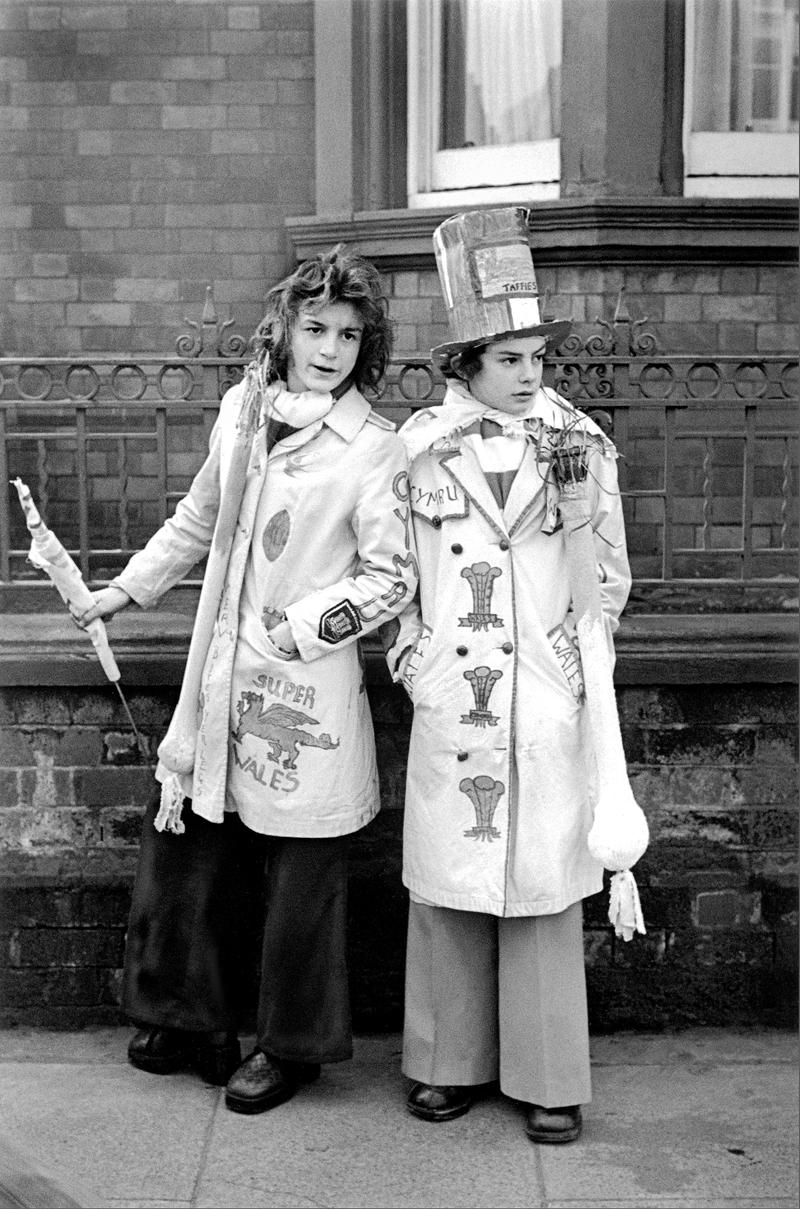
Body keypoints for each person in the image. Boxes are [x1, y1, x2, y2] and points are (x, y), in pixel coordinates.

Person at [74, 246, 418, 1115]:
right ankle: (192, 1023)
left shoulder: (373, 449)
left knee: (302, 870)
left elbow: (391, 577)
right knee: (190, 843)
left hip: (302, 687)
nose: (331, 348)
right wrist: (124, 589)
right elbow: (198, 517)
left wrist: (295, 629)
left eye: (349, 333)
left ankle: (290, 1046)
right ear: (286, 328)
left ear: (365, 344)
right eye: (315, 328)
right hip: (219, 674)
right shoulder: (242, 409)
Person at [382, 207, 634, 1143]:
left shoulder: (582, 445)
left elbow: (608, 570)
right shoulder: (417, 453)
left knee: (541, 875)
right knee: (451, 873)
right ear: (467, 365)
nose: (533, 377)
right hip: (456, 690)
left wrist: (580, 659)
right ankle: (447, 1061)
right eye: (513, 360)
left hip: (546, 690)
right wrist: (412, 660)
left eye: (539, 358)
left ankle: (548, 1073)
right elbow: (395, 573)